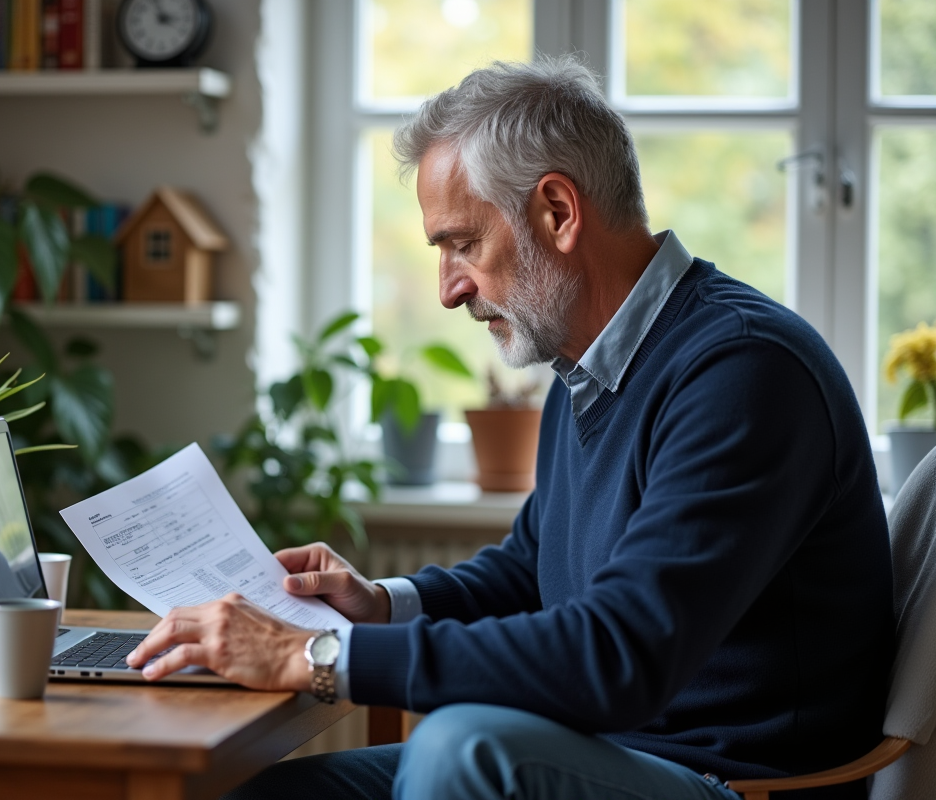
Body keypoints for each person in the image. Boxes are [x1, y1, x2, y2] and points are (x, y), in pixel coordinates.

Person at [126, 56, 894, 800]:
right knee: (259, 791)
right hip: (610, 757)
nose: (448, 289)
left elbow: (621, 654)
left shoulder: (744, 372)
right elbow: (532, 570)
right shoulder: (587, 366)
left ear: (557, 212)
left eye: (463, 244)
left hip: (730, 782)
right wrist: (382, 604)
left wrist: (317, 654)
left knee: (463, 750)